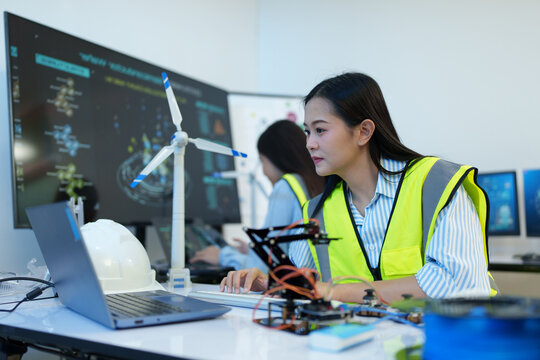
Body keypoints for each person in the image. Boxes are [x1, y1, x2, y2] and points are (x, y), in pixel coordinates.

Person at [220, 72, 496, 302]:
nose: (309, 144)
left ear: (364, 131)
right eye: (307, 131)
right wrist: (268, 284)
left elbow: (458, 285)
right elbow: (305, 288)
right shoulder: (317, 212)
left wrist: (333, 291)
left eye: (320, 130)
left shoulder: (436, 184)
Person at [189, 120, 325, 271]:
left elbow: (262, 267)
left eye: (262, 161)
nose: (263, 172)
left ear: (276, 158)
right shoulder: (312, 184)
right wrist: (254, 251)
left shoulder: (285, 187)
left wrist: (223, 256)